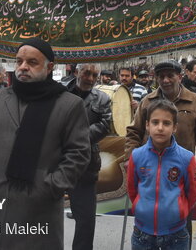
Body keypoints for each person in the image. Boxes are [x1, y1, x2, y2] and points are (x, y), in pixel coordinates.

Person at [0, 38, 90, 249]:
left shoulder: (69, 105)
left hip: (39, 215)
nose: (23, 67)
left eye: (32, 62)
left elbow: (78, 154)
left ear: (49, 67)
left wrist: (51, 186)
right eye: (19, 61)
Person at [125, 60, 196, 246]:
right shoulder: (147, 102)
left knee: (181, 225)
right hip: (149, 172)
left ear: (179, 77)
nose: (165, 80)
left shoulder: (195, 102)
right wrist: (132, 158)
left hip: (181, 177)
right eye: (161, 76)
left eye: (170, 75)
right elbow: (134, 132)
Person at [127, 99, 196, 250]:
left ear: (174, 127)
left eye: (166, 123)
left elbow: (191, 193)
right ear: (147, 125)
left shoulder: (186, 158)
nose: (160, 128)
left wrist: (179, 210)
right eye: (155, 122)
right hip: (142, 233)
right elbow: (132, 190)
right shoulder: (137, 156)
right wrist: (140, 207)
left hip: (176, 234)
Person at [64, 63, 112, 250]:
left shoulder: (102, 98)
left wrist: (75, 136)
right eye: (86, 73)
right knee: (47, 213)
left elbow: (104, 126)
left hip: (86, 164)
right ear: (76, 72)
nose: (90, 78)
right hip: (56, 161)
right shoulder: (59, 93)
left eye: (94, 75)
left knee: (85, 220)